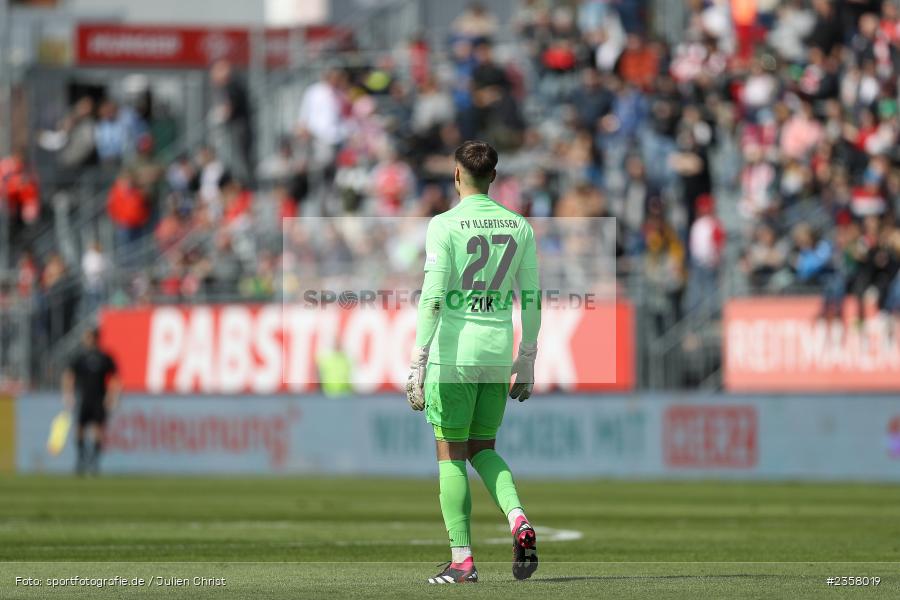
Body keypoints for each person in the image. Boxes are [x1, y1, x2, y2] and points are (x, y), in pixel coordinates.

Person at [406, 141, 541, 584]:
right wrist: (528, 359)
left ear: (457, 175)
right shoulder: (519, 226)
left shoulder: (444, 225)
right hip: (497, 352)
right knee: (485, 448)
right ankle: (518, 518)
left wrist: (418, 361)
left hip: (455, 355)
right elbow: (533, 299)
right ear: (494, 177)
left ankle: (462, 560)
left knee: (450, 453)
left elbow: (432, 298)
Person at [61, 329, 120, 476]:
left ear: (94, 339)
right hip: (83, 398)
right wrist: (68, 395)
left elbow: (115, 378)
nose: (85, 341)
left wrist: (112, 396)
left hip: (99, 399)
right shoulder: (79, 358)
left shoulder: (104, 358)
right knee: (80, 429)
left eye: (87, 337)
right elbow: (69, 376)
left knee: (98, 430)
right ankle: (81, 459)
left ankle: (94, 462)